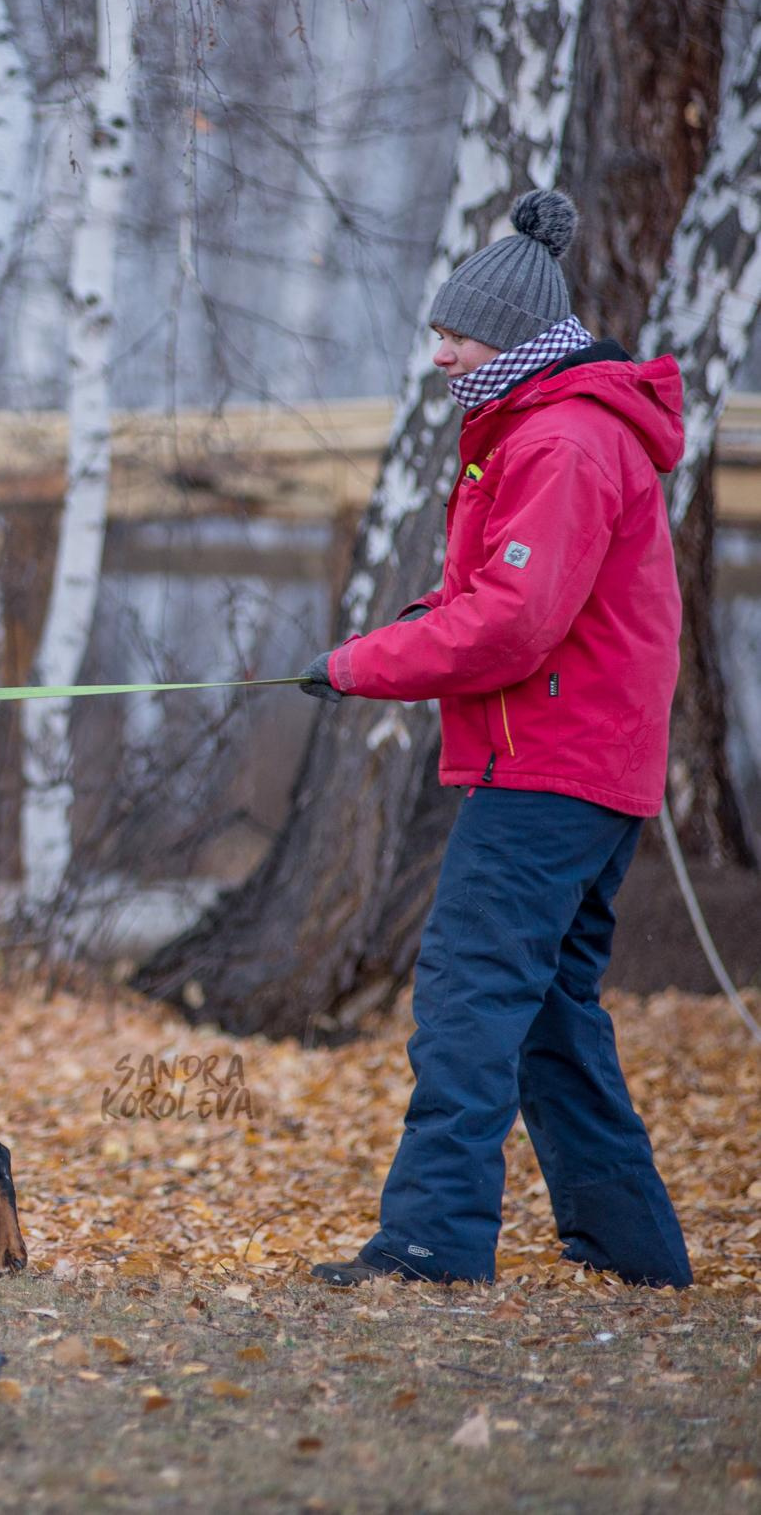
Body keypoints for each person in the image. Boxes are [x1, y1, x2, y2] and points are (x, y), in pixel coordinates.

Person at [299, 189, 693, 1289]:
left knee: (469, 998)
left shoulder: (561, 440)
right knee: (549, 1017)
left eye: (454, 336)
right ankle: (635, 1254)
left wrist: (356, 665)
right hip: (577, 769)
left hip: (551, 774)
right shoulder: (540, 430)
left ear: (511, 340)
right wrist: (399, 634)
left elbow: (514, 625)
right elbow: (493, 598)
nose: (439, 357)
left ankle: (429, 1244)